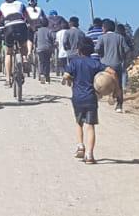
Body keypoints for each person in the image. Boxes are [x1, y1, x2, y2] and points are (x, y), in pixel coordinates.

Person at [63, 37, 112, 165]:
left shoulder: (74, 62)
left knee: (79, 122)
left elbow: (66, 76)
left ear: (78, 50)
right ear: (91, 50)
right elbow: (110, 71)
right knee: (90, 126)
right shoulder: (95, 63)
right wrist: (115, 87)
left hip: (77, 98)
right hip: (91, 98)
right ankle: (89, 155)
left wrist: (68, 81)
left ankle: (80, 146)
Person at [0, 0, 32, 79]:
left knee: (9, 53)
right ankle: (24, 59)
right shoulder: (20, 4)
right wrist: (32, 26)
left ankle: (8, 78)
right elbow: (27, 17)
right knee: (23, 45)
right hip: (21, 25)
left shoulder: (2, 6)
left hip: (9, 27)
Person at [96, 19, 133, 112]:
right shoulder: (120, 37)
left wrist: (102, 53)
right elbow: (127, 49)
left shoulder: (101, 38)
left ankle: (98, 96)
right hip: (117, 64)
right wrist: (121, 56)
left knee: (98, 81)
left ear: (104, 28)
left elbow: (97, 49)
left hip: (104, 65)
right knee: (119, 85)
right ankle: (119, 105)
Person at [34, 19, 57, 83]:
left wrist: (35, 47)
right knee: (47, 62)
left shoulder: (37, 31)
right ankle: (47, 76)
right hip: (48, 48)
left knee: (41, 62)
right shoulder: (50, 31)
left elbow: (34, 40)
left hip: (40, 48)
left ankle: (42, 75)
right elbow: (53, 39)